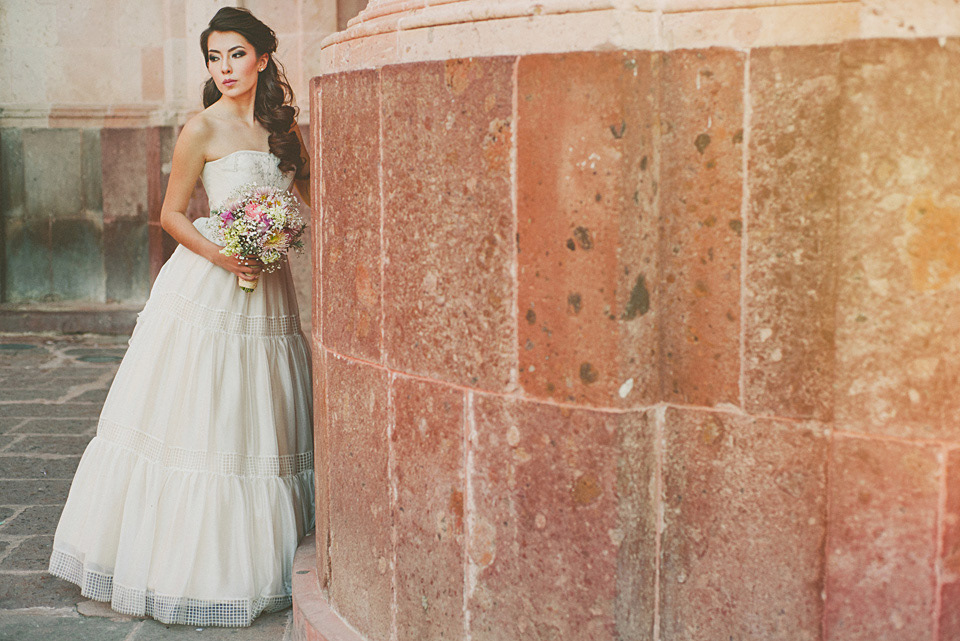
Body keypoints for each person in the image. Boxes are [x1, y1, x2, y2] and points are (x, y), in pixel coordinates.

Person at [47, 7, 314, 628]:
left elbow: (313, 195)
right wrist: (228, 255)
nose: (225, 68)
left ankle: (258, 560)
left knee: (259, 419)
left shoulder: (284, 129)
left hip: (268, 284)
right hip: (210, 283)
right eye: (215, 58)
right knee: (207, 416)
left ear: (264, 58)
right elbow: (171, 214)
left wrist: (281, 236)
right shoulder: (201, 128)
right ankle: (185, 568)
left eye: (237, 55)